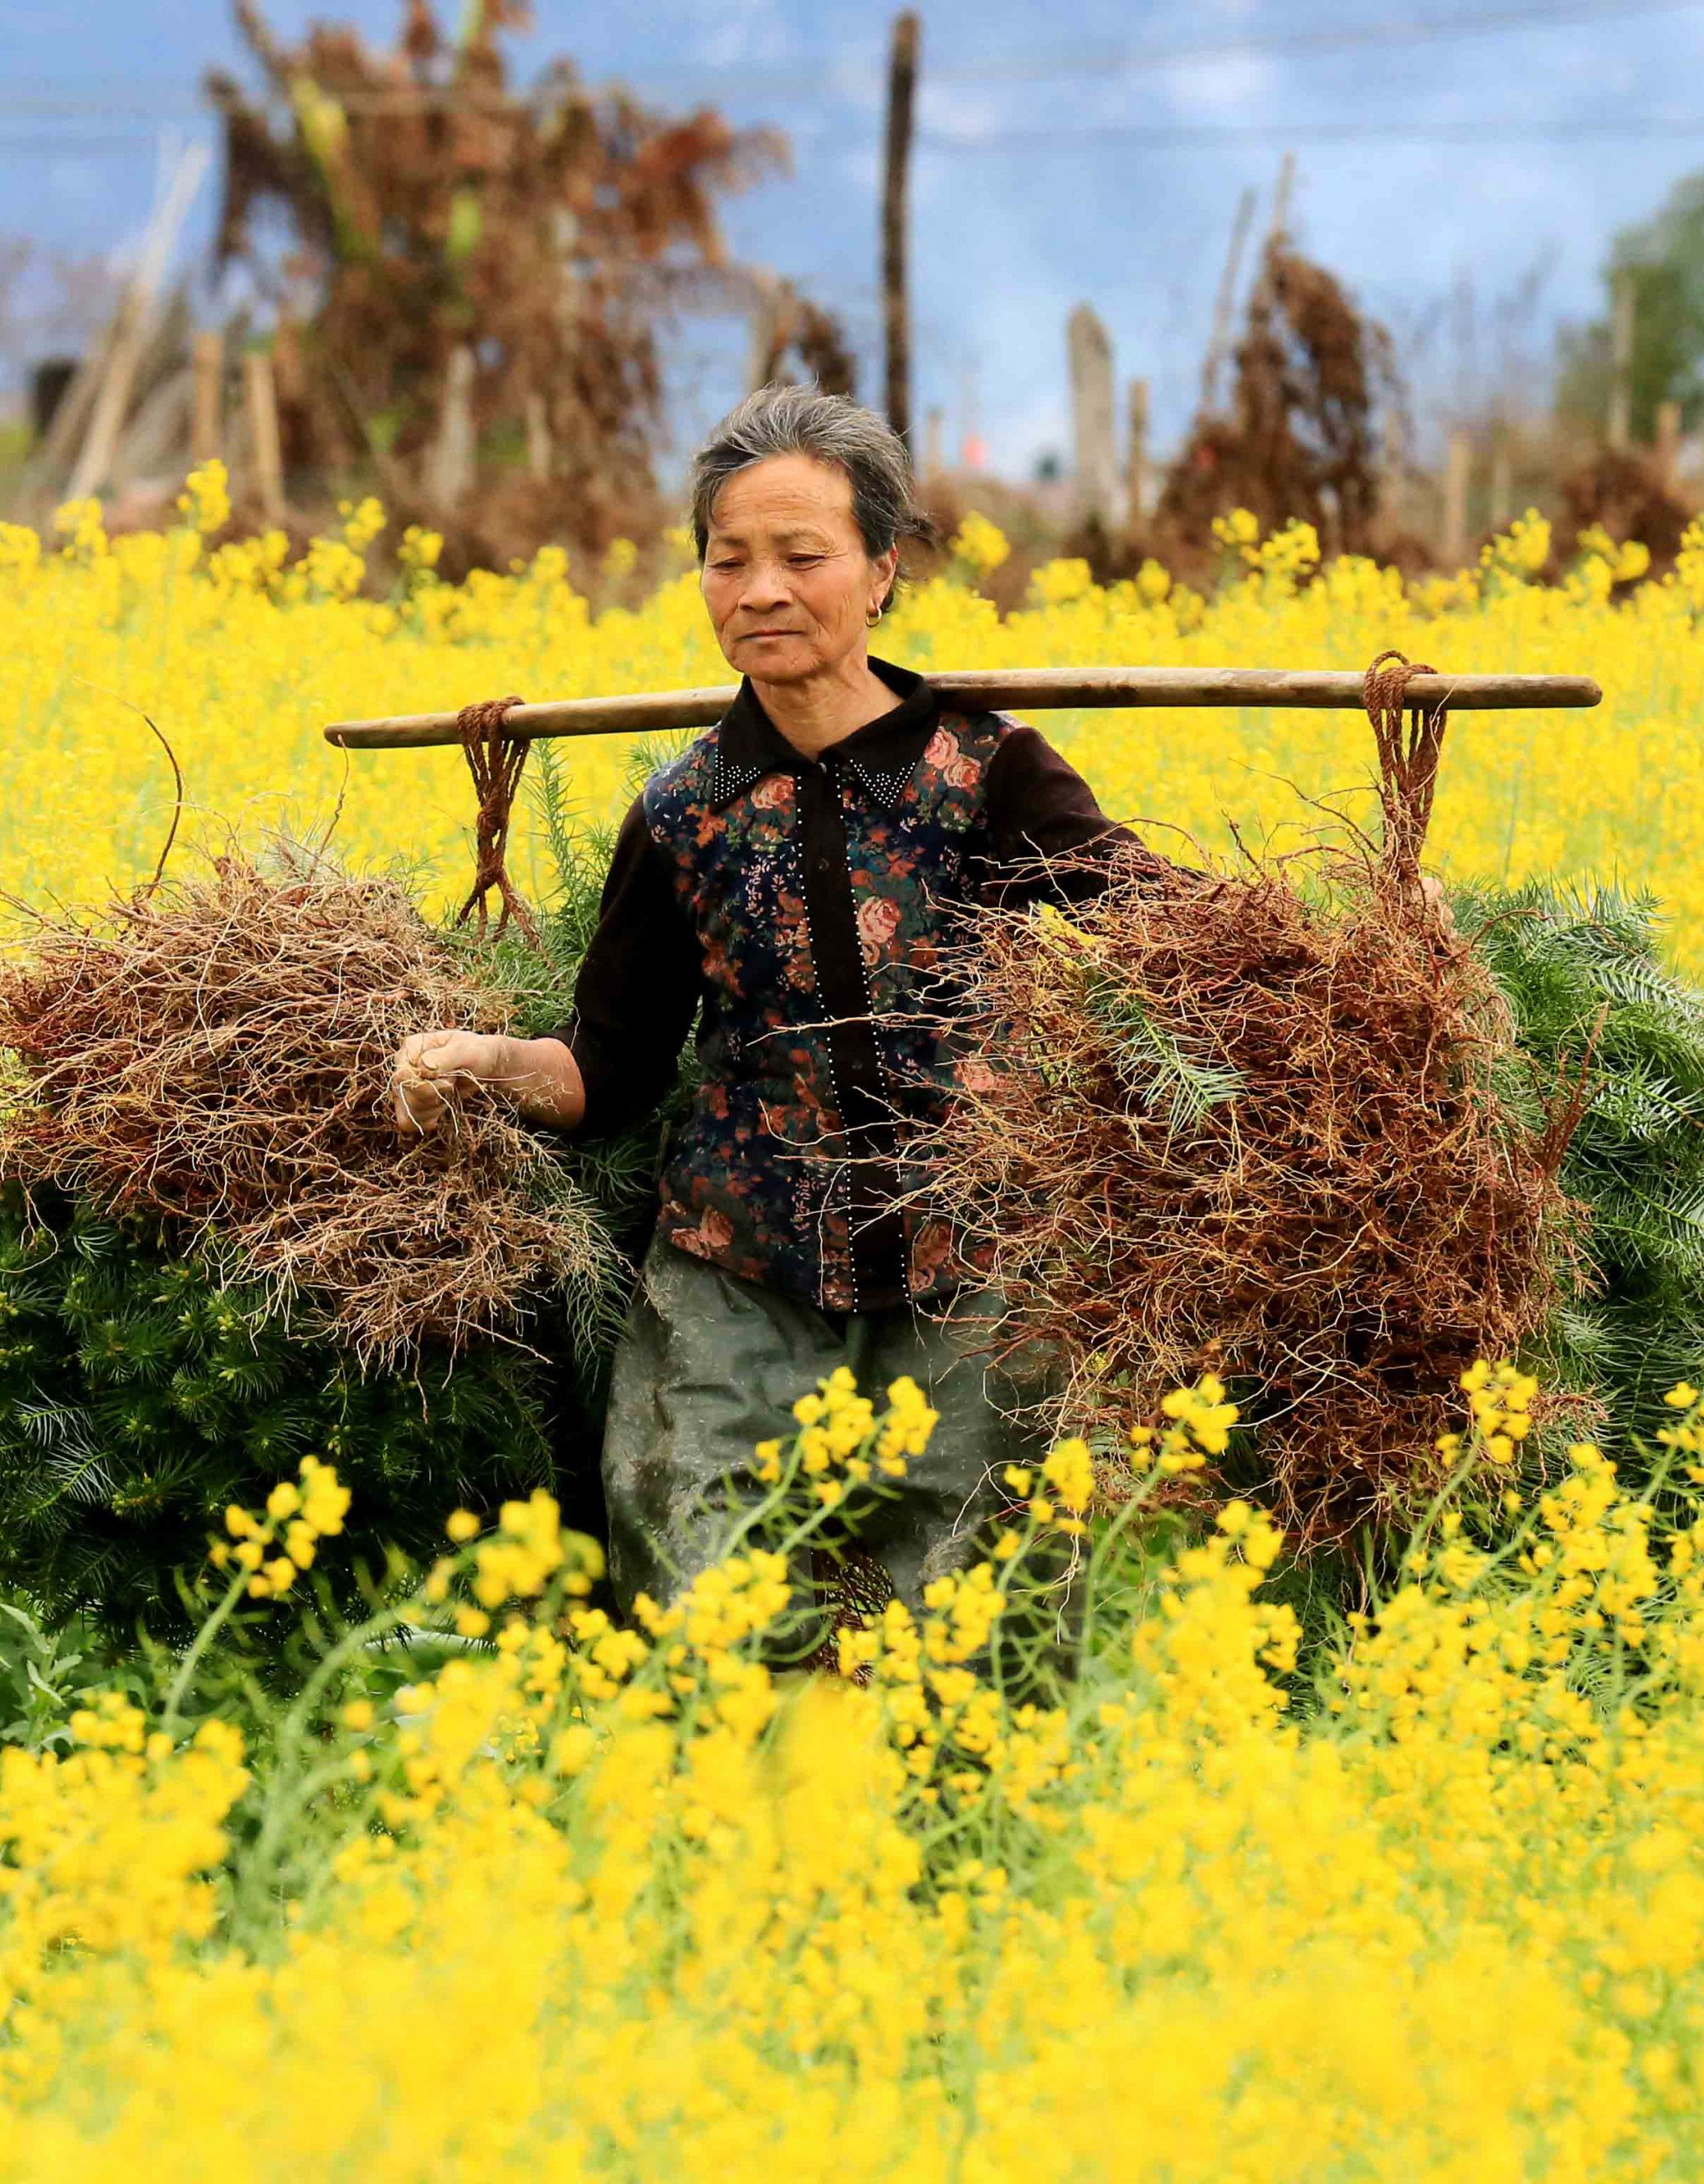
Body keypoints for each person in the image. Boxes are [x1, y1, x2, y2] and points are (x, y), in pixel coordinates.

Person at [388, 383, 1160, 1638]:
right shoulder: (685, 809)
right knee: (704, 1623)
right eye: (727, 558)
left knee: (977, 1649)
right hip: (737, 1275)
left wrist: (1368, 931)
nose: (761, 589)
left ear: (881, 572)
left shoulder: (987, 769)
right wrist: (479, 1061)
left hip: (969, 1274)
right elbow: (607, 1067)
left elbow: (1165, 926)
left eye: (803, 556)